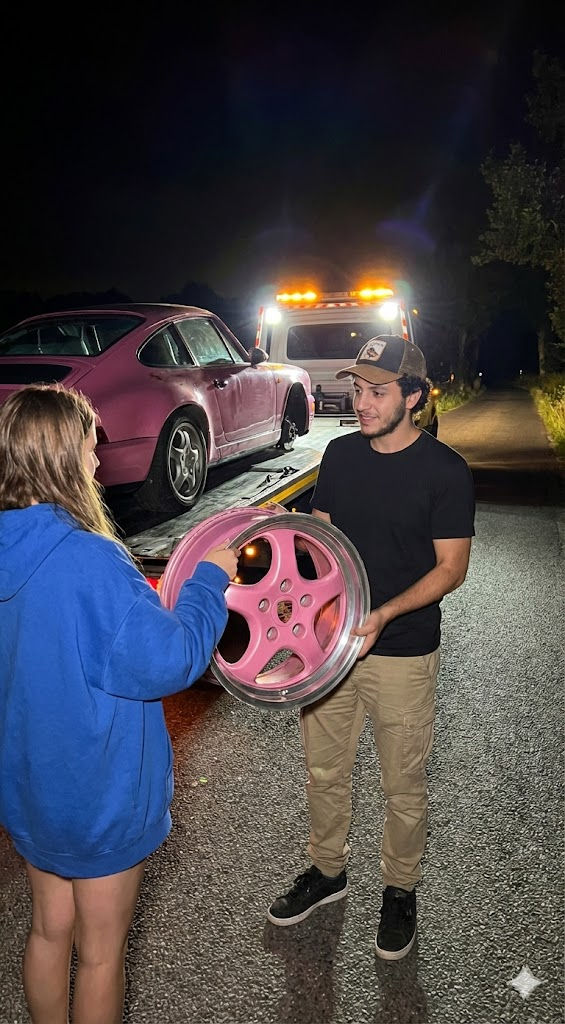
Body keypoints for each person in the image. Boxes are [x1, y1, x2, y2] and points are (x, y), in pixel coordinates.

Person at [0, 385, 238, 1024]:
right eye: (88, 447)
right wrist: (210, 579)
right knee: (101, 955)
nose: (98, 463)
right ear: (59, 458)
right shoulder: (90, 560)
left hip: (28, 789)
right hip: (96, 797)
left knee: (49, 930)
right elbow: (174, 658)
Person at [267, 335, 475, 961]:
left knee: (402, 784)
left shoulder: (445, 471)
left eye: (377, 391)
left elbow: (451, 569)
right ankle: (328, 872)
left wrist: (383, 612)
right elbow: (321, 539)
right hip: (331, 649)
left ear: (413, 397)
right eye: (358, 389)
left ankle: (399, 890)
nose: (361, 401)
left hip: (402, 649)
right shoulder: (339, 456)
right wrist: (294, 602)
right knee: (325, 770)